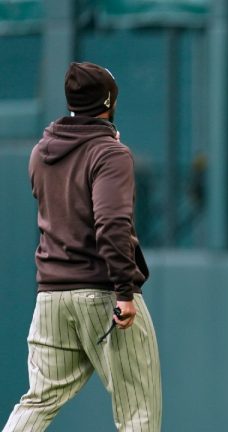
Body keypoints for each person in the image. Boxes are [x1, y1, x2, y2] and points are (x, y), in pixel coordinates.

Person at [3, 62, 161, 431]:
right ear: (109, 101)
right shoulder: (109, 153)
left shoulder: (41, 151)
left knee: (38, 401)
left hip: (50, 298)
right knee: (138, 409)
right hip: (103, 293)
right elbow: (111, 224)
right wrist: (124, 291)